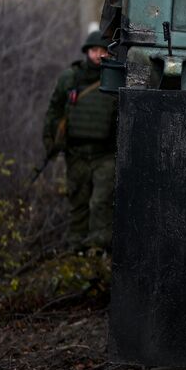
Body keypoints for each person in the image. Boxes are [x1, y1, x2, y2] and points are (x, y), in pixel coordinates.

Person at [43, 31, 118, 252]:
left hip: (105, 153)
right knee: (78, 202)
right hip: (76, 153)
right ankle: (75, 250)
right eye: (95, 51)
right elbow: (54, 110)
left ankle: (97, 249)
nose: (99, 55)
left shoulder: (117, 77)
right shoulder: (71, 78)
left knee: (101, 203)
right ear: (87, 52)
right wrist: (51, 141)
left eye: (104, 51)